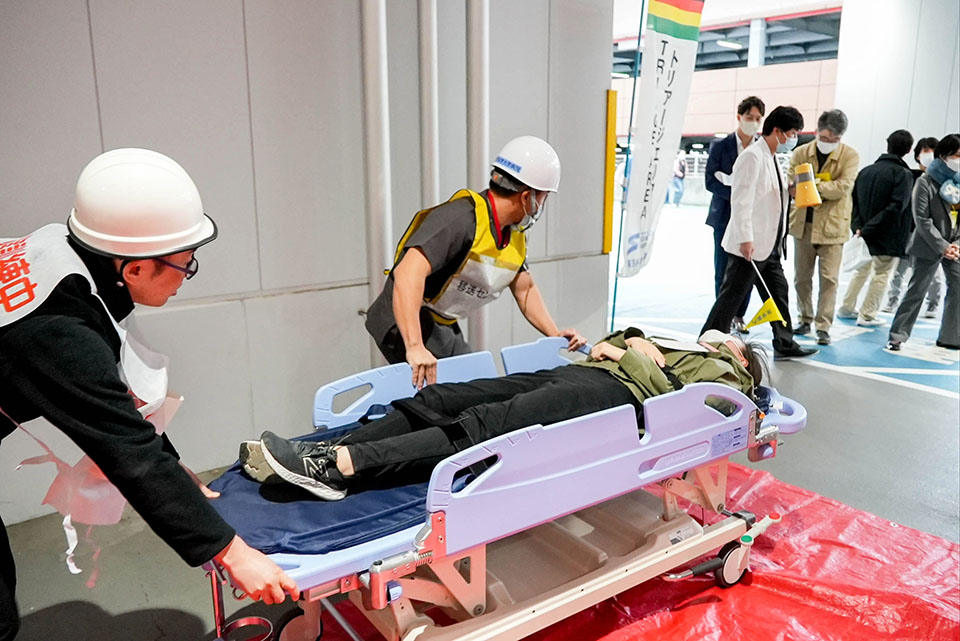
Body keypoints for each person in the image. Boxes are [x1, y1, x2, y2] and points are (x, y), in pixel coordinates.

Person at [0, 149, 297, 640]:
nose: (189, 272)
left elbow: (120, 406)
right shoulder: (56, 330)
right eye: (186, 264)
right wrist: (233, 553)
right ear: (135, 268)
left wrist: (171, 463)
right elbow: (128, 454)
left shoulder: (62, 253)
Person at [240, 327, 766, 499]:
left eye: (733, 340)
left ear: (742, 358)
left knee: (488, 425)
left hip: (615, 398)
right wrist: (629, 340)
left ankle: (339, 467)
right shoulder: (678, 341)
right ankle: (319, 449)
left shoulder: (729, 377)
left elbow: (685, 407)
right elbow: (608, 342)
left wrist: (632, 356)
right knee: (444, 397)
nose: (722, 336)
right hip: (584, 373)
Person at [364, 136, 585, 389]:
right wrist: (414, 346)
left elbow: (525, 289)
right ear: (527, 196)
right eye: (544, 196)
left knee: (477, 386)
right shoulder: (461, 218)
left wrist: (554, 334)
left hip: (442, 323)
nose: (543, 204)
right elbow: (407, 273)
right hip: (403, 319)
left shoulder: (513, 233)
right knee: (451, 397)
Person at [700, 106, 818, 360]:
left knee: (778, 293)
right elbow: (741, 200)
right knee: (731, 298)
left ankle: (784, 342)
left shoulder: (771, 156)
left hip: (769, 245)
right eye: (792, 133)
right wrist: (745, 238)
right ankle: (708, 341)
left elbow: (766, 193)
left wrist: (789, 191)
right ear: (777, 131)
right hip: (751, 245)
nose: (794, 138)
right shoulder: (752, 157)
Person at [787, 110, 860, 345]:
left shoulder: (850, 156)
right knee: (801, 278)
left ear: (841, 137)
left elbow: (843, 187)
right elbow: (791, 183)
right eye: (825, 137)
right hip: (803, 225)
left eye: (834, 139)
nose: (828, 142)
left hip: (833, 228)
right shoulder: (801, 153)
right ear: (817, 132)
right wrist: (817, 186)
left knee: (829, 279)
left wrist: (811, 185)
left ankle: (823, 326)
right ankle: (804, 318)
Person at [887, 134, 960, 351]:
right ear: (944, 155)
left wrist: (956, 244)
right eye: (957, 155)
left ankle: (951, 337)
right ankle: (897, 336)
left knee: (958, 286)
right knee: (917, 290)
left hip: (954, 245)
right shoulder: (925, 182)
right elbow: (922, 219)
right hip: (928, 244)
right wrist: (942, 246)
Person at [837, 130, 916, 327]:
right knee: (881, 274)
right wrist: (870, 227)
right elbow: (897, 206)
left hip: (863, 232)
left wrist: (859, 227)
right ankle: (868, 314)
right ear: (908, 149)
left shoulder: (866, 171)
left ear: (887, 144)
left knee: (861, 270)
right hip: (888, 235)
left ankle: (846, 307)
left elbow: (853, 202)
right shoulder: (903, 174)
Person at [705, 96, 766, 334]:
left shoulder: (761, 148)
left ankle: (739, 314)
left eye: (758, 118)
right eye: (750, 117)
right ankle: (723, 316)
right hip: (723, 217)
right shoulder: (720, 146)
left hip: (751, 220)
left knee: (746, 270)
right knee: (722, 269)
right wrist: (738, 194)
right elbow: (711, 181)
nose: (754, 122)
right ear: (739, 117)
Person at [884, 137, 943, 317]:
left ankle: (932, 304)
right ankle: (892, 300)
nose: (929, 155)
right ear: (917, 155)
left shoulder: (941, 180)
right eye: (925, 151)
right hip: (908, 229)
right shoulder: (909, 176)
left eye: (932, 151)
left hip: (931, 231)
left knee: (933, 271)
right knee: (899, 269)